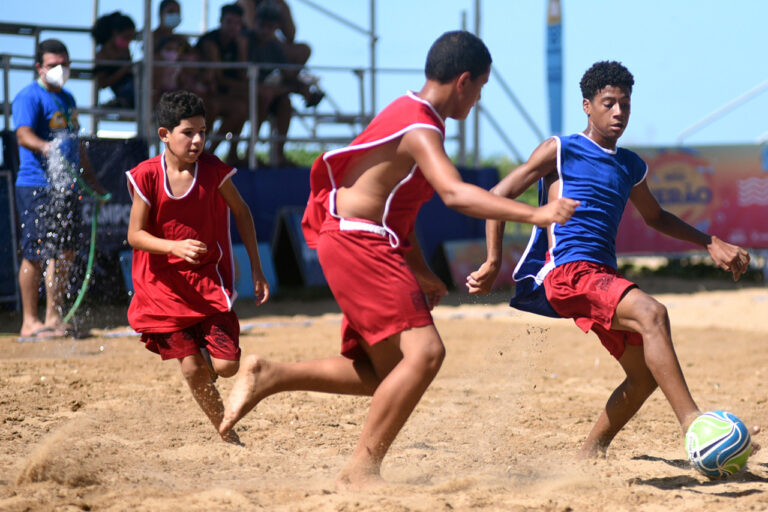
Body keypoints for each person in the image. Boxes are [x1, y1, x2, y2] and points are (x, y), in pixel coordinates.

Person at [219, 31, 578, 488]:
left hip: (359, 239)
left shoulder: (413, 116)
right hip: (358, 242)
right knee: (426, 353)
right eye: (481, 88)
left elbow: (399, 218)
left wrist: (423, 274)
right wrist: (536, 213)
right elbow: (455, 194)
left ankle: (270, 375)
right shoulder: (420, 125)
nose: (479, 100)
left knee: (386, 372)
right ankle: (360, 470)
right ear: (464, 81)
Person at [466, 60, 753, 457]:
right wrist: (493, 261)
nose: (619, 112)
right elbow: (496, 197)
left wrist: (710, 242)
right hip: (568, 272)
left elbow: (656, 217)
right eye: (609, 103)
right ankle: (696, 426)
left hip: (601, 276)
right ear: (587, 106)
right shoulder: (561, 149)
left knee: (644, 377)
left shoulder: (630, 164)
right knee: (653, 313)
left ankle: (589, 454)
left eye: (625, 104)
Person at [125, 90, 270, 443]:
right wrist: (172, 246)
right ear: (165, 134)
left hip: (206, 282)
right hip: (162, 288)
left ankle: (206, 358)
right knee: (191, 368)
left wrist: (256, 267)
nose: (197, 140)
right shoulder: (147, 176)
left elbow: (242, 212)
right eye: (188, 132)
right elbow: (135, 235)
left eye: (202, 132)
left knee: (227, 366)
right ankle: (227, 433)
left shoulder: (213, 171)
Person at [12, 39, 107, 339]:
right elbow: (23, 135)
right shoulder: (28, 96)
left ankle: (54, 317)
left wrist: (92, 182)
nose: (60, 69)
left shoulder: (67, 98)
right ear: (39, 68)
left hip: (66, 186)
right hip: (36, 185)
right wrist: (46, 147)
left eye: (64, 64)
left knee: (65, 251)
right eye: (53, 65)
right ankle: (30, 321)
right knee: (35, 252)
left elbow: (76, 144)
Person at [246, 1, 322, 167]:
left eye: (270, 27)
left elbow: (288, 74)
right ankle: (249, 153)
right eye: (262, 26)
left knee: (284, 103)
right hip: (245, 91)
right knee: (265, 96)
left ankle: (278, 155)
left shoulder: (274, 46)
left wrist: (301, 87)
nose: (265, 31)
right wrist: (296, 88)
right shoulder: (246, 42)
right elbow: (247, 81)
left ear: (275, 28)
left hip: (263, 91)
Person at [196, 3, 251, 165]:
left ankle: (213, 152)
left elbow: (242, 75)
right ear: (221, 21)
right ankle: (202, 152)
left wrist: (242, 49)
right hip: (205, 94)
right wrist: (245, 86)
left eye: (237, 23)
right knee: (213, 107)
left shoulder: (238, 43)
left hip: (224, 93)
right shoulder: (209, 42)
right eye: (229, 22)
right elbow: (218, 78)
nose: (233, 27)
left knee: (242, 108)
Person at [92, 11, 137, 109]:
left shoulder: (125, 50)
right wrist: (122, 71)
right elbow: (102, 83)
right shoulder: (102, 56)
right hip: (124, 92)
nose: (128, 42)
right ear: (115, 33)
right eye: (126, 37)